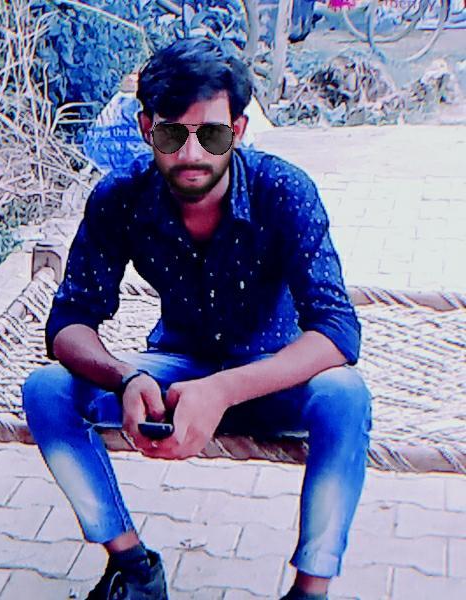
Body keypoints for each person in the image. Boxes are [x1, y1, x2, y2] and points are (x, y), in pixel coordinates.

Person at [23, 37, 372, 600]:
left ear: (237, 130)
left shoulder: (283, 191)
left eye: (211, 134)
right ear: (146, 128)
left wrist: (224, 390)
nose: (191, 154)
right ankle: (132, 566)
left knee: (345, 396)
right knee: (46, 390)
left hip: (268, 375)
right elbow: (68, 323)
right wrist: (127, 378)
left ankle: (311, 590)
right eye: (171, 135)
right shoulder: (120, 198)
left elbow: (336, 330)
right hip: (176, 372)